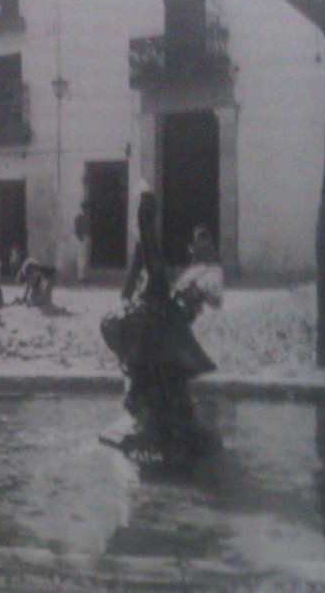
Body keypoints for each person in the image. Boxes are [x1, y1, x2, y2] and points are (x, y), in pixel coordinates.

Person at [100, 190, 217, 469]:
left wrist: (144, 223)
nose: (195, 313)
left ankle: (153, 419)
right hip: (147, 334)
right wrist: (144, 222)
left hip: (148, 336)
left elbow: (146, 257)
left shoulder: (162, 299)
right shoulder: (159, 291)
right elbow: (147, 257)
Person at [74, 200, 91, 282]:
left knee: (84, 257)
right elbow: (77, 228)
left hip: (85, 237)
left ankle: (83, 275)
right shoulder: (80, 217)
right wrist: (80, 237)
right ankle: (80, 276)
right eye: (86, 208)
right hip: (81, 238)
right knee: (81, 257)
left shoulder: (84, 217)